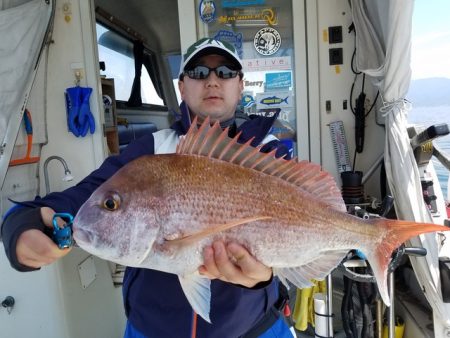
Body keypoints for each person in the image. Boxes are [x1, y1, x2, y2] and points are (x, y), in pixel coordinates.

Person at [1, 37, 294, 338]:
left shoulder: (268, 154)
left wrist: (263, 278)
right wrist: (23, 221)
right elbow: (88, 196)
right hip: (151, 329)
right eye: (199, 72)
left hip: (255, 328)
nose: (213, 81)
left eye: (226, 72)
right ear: (182, 87)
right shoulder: (152, 150)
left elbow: (297, 233)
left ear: (241, 84)